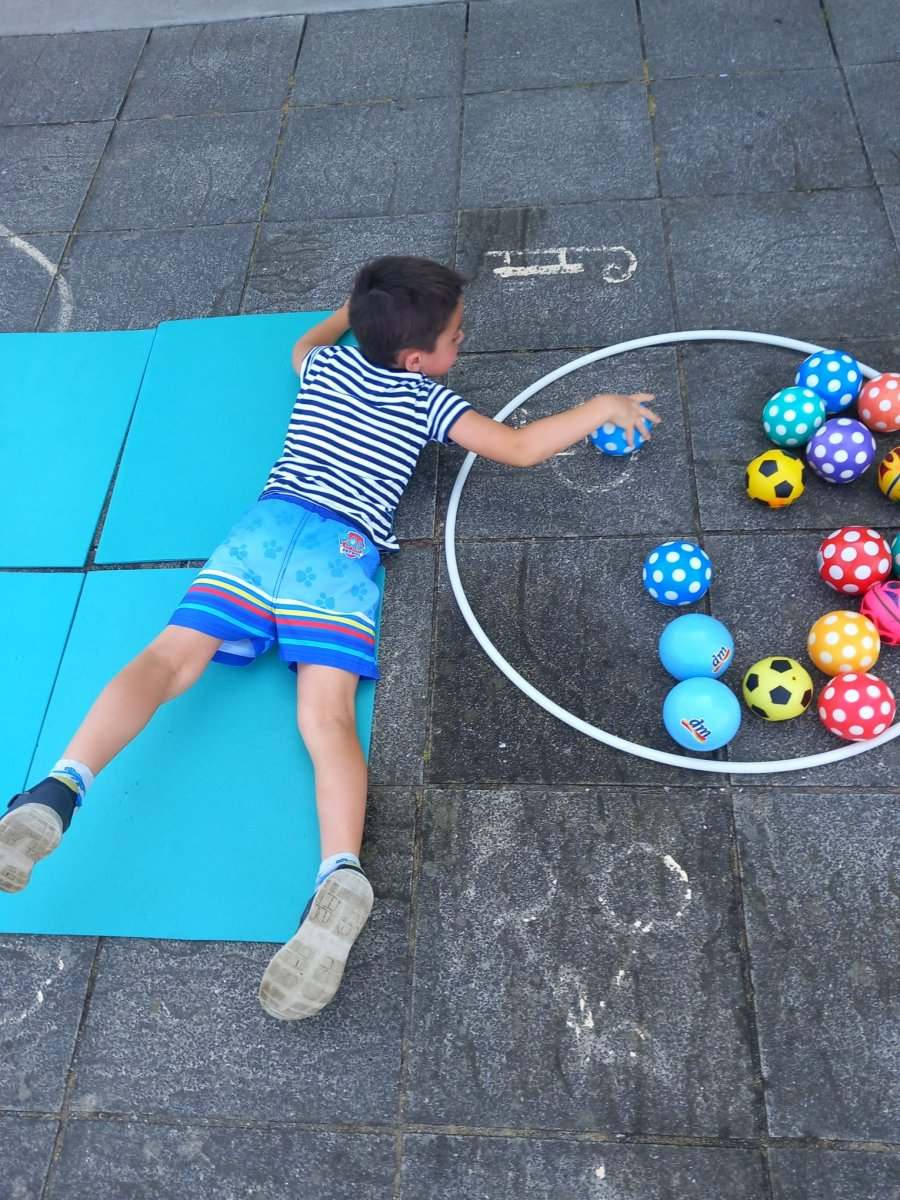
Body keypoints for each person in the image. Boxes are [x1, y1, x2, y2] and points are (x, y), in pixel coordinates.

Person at [0, 255, 658, 1020]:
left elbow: (304, 344)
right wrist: (600, 405)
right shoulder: (430, 401)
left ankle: (59, 788)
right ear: (416, 359)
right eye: (454, 335)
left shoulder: (325, 367)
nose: (462, 339)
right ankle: (339, 869)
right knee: (326, 717)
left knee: (167, 659)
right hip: (339, 558)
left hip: (263, 533)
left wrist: (354, 310)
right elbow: (517, 446)